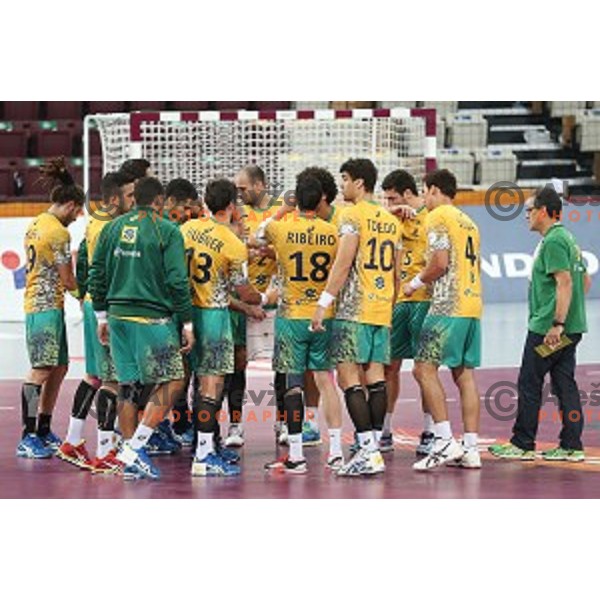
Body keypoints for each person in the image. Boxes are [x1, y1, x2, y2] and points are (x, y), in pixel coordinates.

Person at [89, 177, 194, 480]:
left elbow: (97, 272)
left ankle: (128, 454)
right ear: (159, 201)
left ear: (135, 199)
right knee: (174, 379)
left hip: (118, 316)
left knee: (128, 385)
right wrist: (187, 322)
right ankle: (135, 449)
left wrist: (101, 317)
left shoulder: (112, 227)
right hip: (152, 318)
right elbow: (177, 280)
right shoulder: (167, 230)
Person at [312, 158, 401, 477]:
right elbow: (396, 272)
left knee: (349, 379)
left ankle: (366, 450)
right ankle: (373, 447)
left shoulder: (351, 215)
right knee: (376, 377)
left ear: (360, 183)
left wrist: (323, 303)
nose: (342, 186)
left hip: (353, 309)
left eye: (346, 179)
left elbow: (343, 262)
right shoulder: (392, 221)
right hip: (381, 309)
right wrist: (389, 306)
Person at [489, 186, 590, 462]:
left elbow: (566, 282)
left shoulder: (555, 241)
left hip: (549, 331)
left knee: (529, 382)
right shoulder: (567, 238)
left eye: (530, 211)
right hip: (572, 328)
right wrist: (569, 319)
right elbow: (585, 281)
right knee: (563, 383)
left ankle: (522, 443)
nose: (526, 216)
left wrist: (556, 323)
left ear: (544, 211)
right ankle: (571, 445)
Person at [181, 178, 265, 476]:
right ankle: (204, 455)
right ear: (231, 206)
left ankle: (205, 445)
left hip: (187, 314)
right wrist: (266, 298)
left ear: (205, 203)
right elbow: (244, 291)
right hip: (215, 317)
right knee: (212, 386)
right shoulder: (232, 242)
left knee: (193, 381)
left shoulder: (186, 230)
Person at [259, 175, 342, 473]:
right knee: (325, 380)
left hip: (291, 317)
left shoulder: (281, 228)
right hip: (323, 314)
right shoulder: (333, 232)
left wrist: (282, 209)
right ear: (320, 199)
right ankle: (335, 451)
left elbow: (258, 235)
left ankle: (296, 455)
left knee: (293, 383)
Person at [57, 171, 136, 472]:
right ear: (115, 199)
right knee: (113, 380)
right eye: (129, 196)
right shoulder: (115, 227)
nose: (133, 201)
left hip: (92, 302)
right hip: (107, 308)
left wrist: (85, 296)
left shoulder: (94, 223)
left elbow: (86, 263)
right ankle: (105, 452)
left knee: (94, 375)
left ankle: (73, 439)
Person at [407, 169, 483, 471]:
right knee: (464, 375)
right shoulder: (470, 222)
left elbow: (439, 263)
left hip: (446, 306)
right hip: (472, 306)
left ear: (435, 190)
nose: (424, 198)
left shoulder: (437, 217)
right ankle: (472, 449)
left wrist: (414, 283)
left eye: (425, 192)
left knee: (423, 369)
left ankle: (443, 441)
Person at [17, 158, 85, 459]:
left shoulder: (36, 223)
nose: (79, 216)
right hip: (43, 308)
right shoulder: (58, 233)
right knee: (41, 369)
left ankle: (43, 429)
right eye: (78, 209)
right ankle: (28, 434)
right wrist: (88, 297)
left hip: (47, 306)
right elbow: (67, 279)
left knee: (59, 367)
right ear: (70, 204)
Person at [381, 169, 434, 455]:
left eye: (393, 198)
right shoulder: (391, 220)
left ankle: (430, 431)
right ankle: (385, 430)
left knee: (425, 368)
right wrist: (390, 212)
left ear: (409, 194)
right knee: (390, 366)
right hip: (398, 301)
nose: (389, 204)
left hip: (425, 299)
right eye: (386, 199)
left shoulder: (431, 216)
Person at [234, 165, 284, 445]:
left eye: (243, 188)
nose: (239, 193)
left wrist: (270, 250)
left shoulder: (279, 211)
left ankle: (285, 423)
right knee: (238, 362)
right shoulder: (236, 212)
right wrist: (247, 249)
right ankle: (235, 425)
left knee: (283, 363)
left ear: (260, 185)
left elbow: (289, 248)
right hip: (244, 300)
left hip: (275, 299)